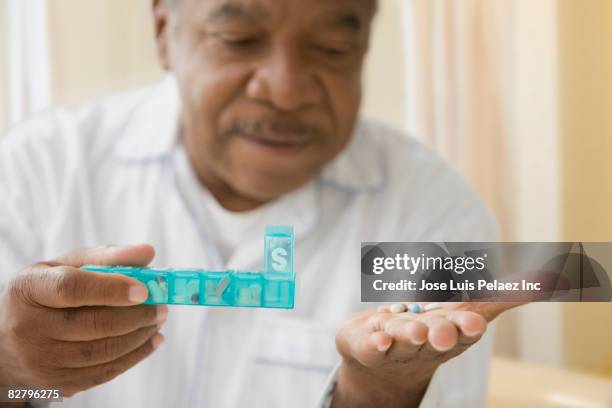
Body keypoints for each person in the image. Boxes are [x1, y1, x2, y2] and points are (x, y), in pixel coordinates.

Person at [0, 0, 517, 406]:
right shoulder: (35, 174)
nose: (286, 90)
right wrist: (16, 377)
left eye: (334, 46)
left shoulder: (436, 214)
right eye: (237, 39)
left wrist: (379, 396)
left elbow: (580, 269)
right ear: (164, 31)